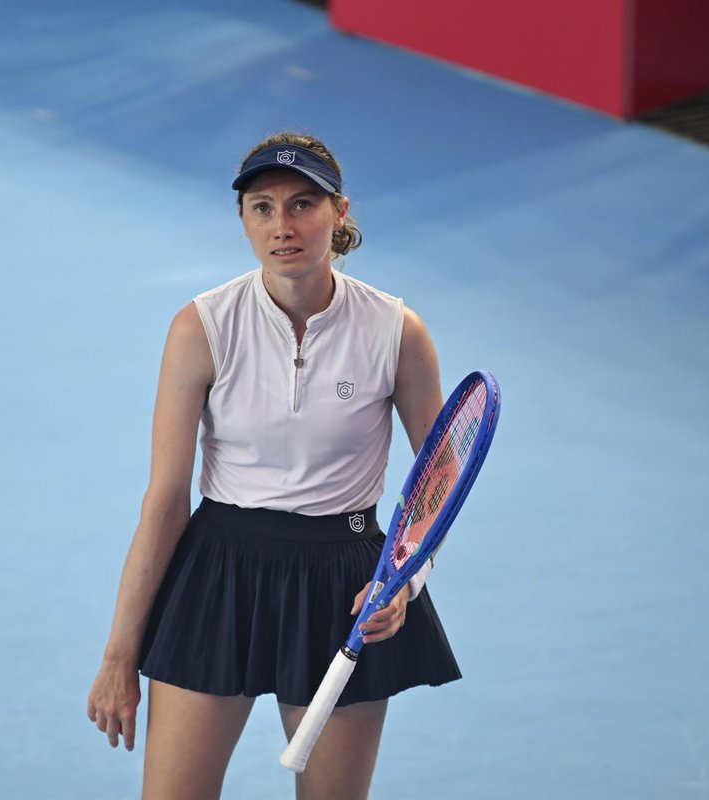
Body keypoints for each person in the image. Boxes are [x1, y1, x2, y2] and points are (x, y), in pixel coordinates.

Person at [87, 132, 460, 799]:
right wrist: (120, 655)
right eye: (262, 207)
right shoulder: (201, 328)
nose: (281, 226)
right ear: (243, 219)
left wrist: (405, 579)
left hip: (342, 580)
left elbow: (440, 482)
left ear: (339, 212)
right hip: (217, 575)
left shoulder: (397, 332)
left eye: (302, 204)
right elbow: (165, 503)